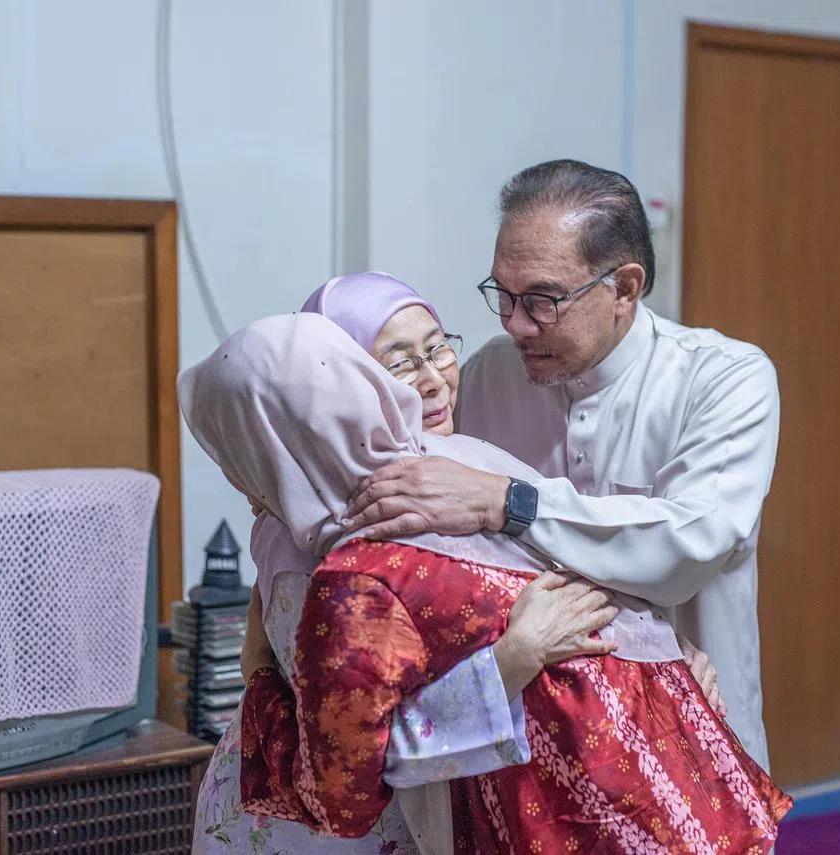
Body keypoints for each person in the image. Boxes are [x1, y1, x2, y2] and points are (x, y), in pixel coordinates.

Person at [180, 312, 791, 854]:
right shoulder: (456, 482)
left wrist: (260, 680)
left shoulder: (374, 558)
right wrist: (662, 655)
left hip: (583, 800)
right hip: (663, 777)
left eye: (435, 348)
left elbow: (341, 794)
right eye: (397, 362)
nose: (429, 379)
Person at [343, 160, 780, 770]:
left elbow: (690, 546)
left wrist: (507, 501)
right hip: (531, 755)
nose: (515, 323)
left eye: (542, 300)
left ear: (624, 288)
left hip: (690, 736)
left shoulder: (723, 378)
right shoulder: (490, 375)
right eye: (503, 294)